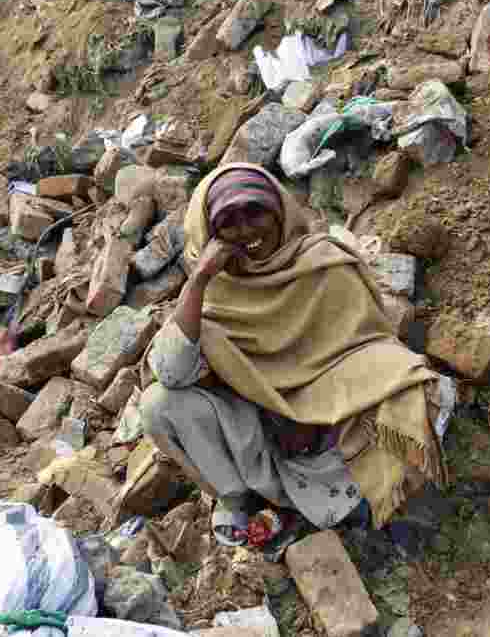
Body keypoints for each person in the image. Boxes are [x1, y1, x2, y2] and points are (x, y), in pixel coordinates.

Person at [141, 162, 448, 547]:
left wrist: (315, 411)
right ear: (210, 234)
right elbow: (171, 372)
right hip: (263, 436)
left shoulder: (322, 261)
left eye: (255, 212)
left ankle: (337, 506)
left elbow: (367, 345)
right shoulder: (212, 296)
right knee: (158, 404)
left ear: (279, 210)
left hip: (333, 423)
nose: (248, 230)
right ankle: (250, 502)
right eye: (228, 222)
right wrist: (200, 278)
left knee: (415, 385)